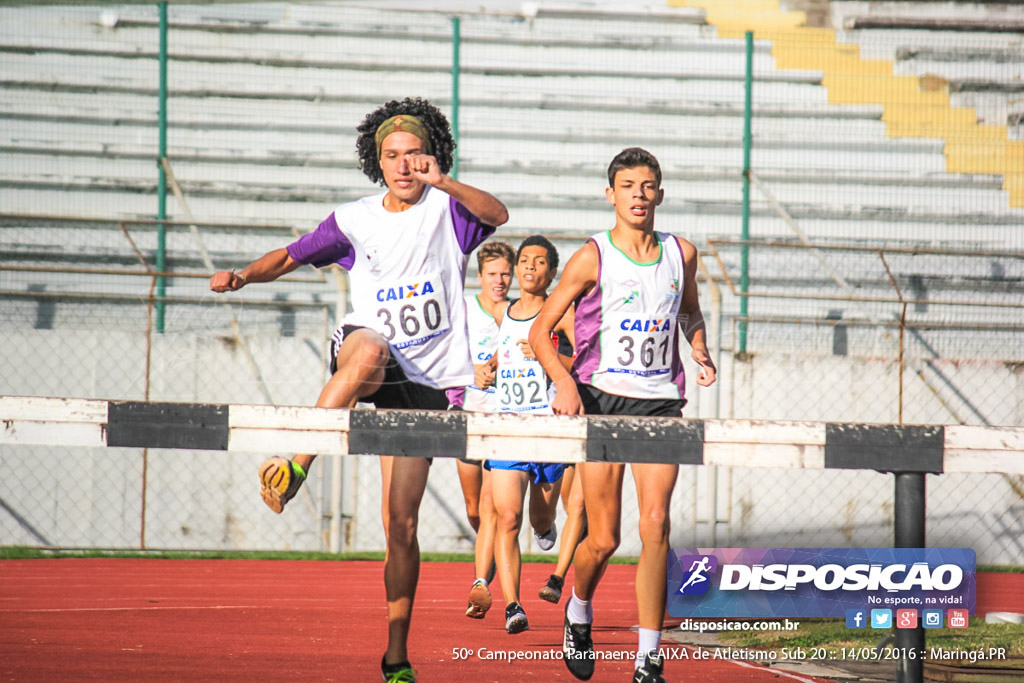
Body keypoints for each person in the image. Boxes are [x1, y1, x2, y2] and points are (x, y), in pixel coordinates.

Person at [209, 97, 508, 683]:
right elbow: (290, 256)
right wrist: (243, 274)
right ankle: (297, 466)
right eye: (391, 155)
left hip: (427, 383)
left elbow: (497, 213)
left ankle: (396, 653)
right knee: (370, 347)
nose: (403, 164)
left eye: (414, 154)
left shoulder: (450, 212)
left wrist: (444, 181)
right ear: (377, 162)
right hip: (368, 350)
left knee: (401, 525)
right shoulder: (354, 220)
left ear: (431, 156)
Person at [528, 148, 716, 683]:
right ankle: (579, 608)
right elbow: (540, 331)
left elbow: (690, 309)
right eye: (628, 185)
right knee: (604, 538)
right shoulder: (593, 256)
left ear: (660, 194)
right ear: (611, 194)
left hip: (661, 401)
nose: (638, 193)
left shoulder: (682, 253)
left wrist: (698, 345)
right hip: (602, 399)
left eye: (648, 185)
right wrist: (563, 382)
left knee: (656, 524)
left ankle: (649, 657)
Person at [478, 235, 578, 634]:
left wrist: (551, 356)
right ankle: (513, 606)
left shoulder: (562, 312)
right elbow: (504, 352)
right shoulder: (504, 312)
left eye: (540, 262)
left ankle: (545, 527)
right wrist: (488, 367)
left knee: (539, 518)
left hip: (550, 429)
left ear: (552, 272)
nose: (530, 267)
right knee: (507, 517)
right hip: (510, 426)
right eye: (524, 261)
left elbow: (587, 358)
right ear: (516, 268)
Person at [455, 240, 514, 619]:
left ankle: (481, 582)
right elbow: (446, 352)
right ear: (479, 276)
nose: (500, 280)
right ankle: (486, 562)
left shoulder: (520, 311)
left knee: (494, 508)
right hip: (469, 416)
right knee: (476, 509)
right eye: (492, 274)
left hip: (505, 418)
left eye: (505, 273)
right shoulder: (463, 308)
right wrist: (469, 370)